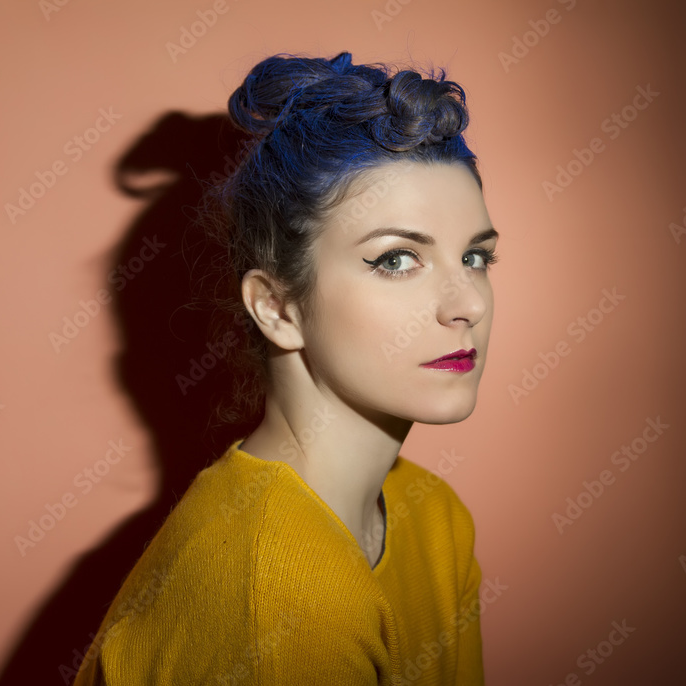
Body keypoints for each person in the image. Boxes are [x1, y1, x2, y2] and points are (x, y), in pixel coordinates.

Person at [74, 50, 498, 685]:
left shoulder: (435, 519)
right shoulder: (279, 597)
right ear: (276, 308)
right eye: (395, 259)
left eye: (475, 258)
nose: (467, 304)